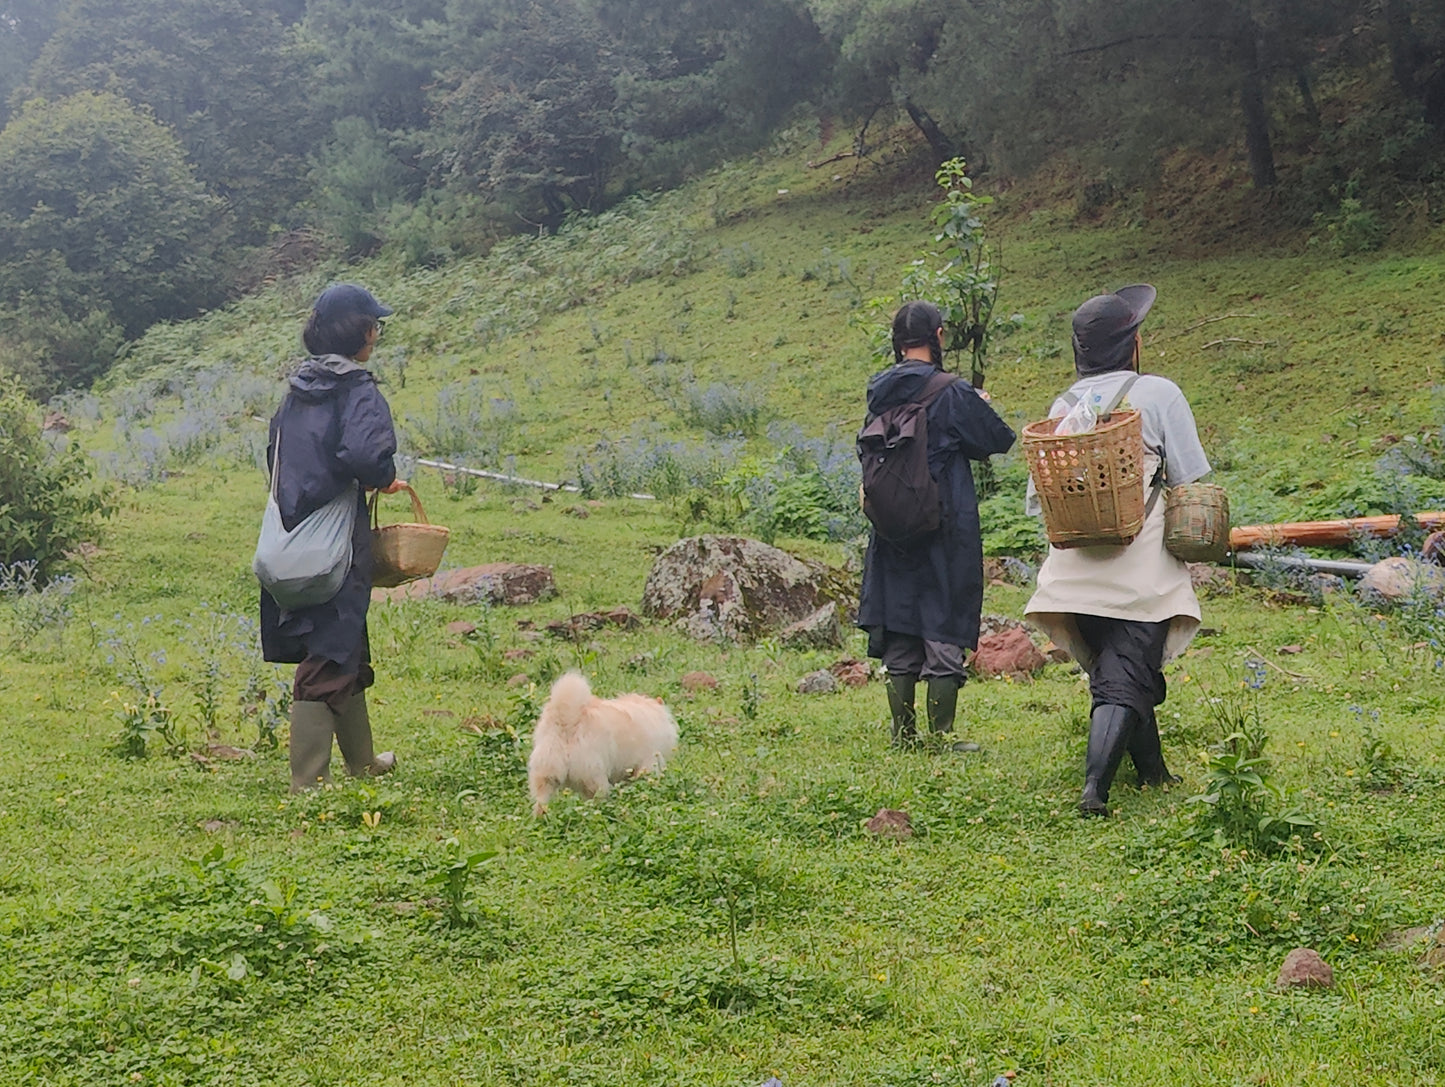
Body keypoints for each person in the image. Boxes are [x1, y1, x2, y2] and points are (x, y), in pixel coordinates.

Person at [1023, 284, 1211, 817]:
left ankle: (1154, 774)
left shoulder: (1063, 407)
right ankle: (1094, 792)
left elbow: (1039, 498)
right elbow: (1191, 477)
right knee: (1125, 677)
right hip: (1138, 569)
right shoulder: (1158, 393)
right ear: (1133, 343)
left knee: (1121, 668)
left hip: (1073, 573)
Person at [260, 283, 408, 792]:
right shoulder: (356, 390)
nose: (377, 333)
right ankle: (308, 782)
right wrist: (384, 477)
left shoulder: (299, 389)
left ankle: (362, 761)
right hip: (335, 543)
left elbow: (276, 455)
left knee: (343, 643)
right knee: (330, 647)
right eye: (375, 325)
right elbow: (368, 457)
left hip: (294, 530)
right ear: (362, 331)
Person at [857, 300, 1017, 749]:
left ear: (897, 341)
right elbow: (997, 439)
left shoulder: (878, 391)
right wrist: (978, 403)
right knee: (943, 619)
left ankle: (902, 736)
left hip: (890, 528)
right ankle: (942, 736)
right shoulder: (950, 390)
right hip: (945, 523)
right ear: (939, 337)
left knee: (900, 620)